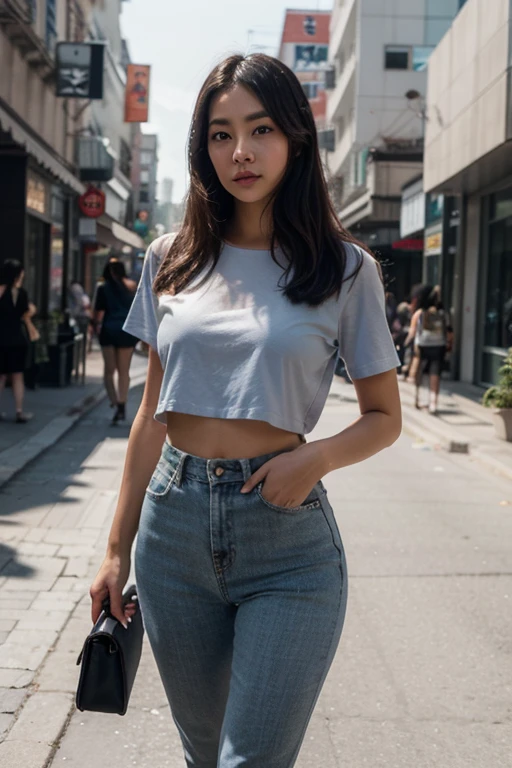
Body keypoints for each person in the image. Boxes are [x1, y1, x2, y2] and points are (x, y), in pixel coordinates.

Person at [89, 53, 402, 768]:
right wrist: (114, 551)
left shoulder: (344, 269)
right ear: (204, 147)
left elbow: (385, 416)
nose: (242, 152)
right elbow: (150, 417)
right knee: (206, 756)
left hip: (287, 541)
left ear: (295, 138)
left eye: (261, 129)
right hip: (171, 537)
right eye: (222, 134)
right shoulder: (170, 258)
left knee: (247, 760)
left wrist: (315, 458)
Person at [93, 259, 138, 425]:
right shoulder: (131, 286)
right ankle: (122, 403)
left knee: (109, 371)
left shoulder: (103, 288)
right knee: (124, 371)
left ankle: (113, 400)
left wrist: (94, 327)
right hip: (127, 332)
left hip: (109, 330)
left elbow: (98, 314)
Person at [405, 284, 451, 414]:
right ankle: (433, 404)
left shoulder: (419, 314)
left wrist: (407, 343)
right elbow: (449, 332)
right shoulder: (442, 313)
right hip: (438, 346)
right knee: (435, 374)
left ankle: (417, 399)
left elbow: (412, 333)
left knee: (419, 373)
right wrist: (449, 346)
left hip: (422, 346)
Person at [0, 259, 33, 423]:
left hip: (1, 339)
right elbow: (26, 312)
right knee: (18, 376)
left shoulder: (0, 291)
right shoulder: (22, 293)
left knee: (1, 377)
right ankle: (19, 411)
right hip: (18, 339)